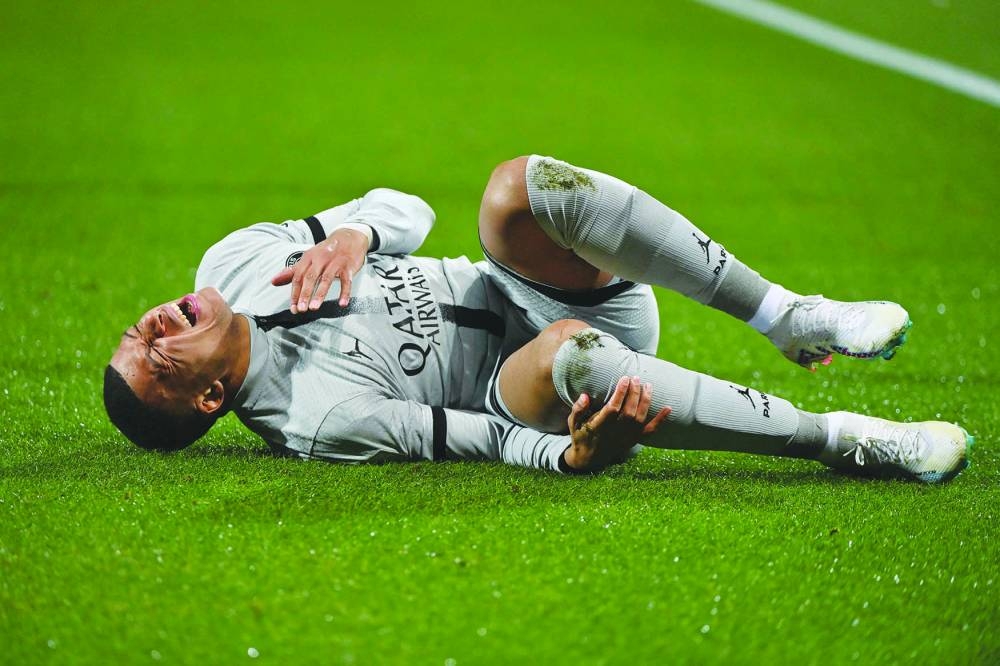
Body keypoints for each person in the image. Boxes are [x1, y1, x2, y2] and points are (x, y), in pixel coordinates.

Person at [104, 155, 972, 481]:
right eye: (160, 355)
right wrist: (569, 454)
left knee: (515, 190)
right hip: (535, 386)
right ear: (210, 398)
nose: (154, 326)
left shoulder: (231, 262)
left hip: (550, 289)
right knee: (567, 353)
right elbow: (472, 435)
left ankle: (787, 316)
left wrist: (357, 232)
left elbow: (409, 208)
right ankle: (847, 439)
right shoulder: (316, 418)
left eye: (141, 332)